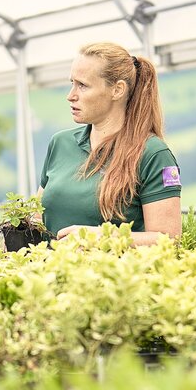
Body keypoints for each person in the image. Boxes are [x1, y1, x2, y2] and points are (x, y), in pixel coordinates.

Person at [39, 42, 181, 244]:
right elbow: (37, 216)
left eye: (82, 85)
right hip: (49, 265)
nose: (71, 96)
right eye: (72, 83)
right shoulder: (60, 143)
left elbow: (169, 239)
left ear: (117, 90)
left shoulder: (153, 154)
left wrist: (99, 238)